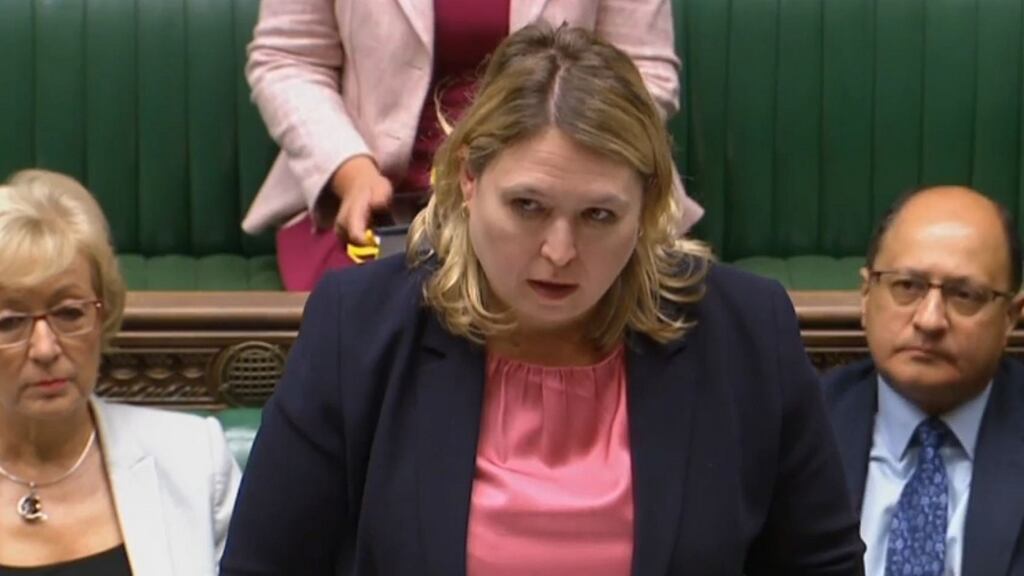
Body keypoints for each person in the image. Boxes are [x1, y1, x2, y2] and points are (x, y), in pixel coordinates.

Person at [222, 24, 862, 575]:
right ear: (469, 179)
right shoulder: (358, 328)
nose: (559, 251)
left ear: (647, 207)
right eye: (527, 206)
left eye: (599, 215)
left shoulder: (745, 333)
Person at [240, 0, 704, 290]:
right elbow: (287, 59)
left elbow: (646, 75)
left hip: (563, 209)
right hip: (379, 214)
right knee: (377, 335)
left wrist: (552, 164)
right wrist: (351, 171)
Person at [0, 170, 241, 575]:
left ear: (103, 315)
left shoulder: (194, 460)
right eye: (9, 322)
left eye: (69, 313)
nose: (45, 348)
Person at [822, 186, 1024, 576]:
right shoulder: (794, 426)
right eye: (907, 286)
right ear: (866, 295)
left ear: (1010, 318)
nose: (929, 320)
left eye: (965, 294)